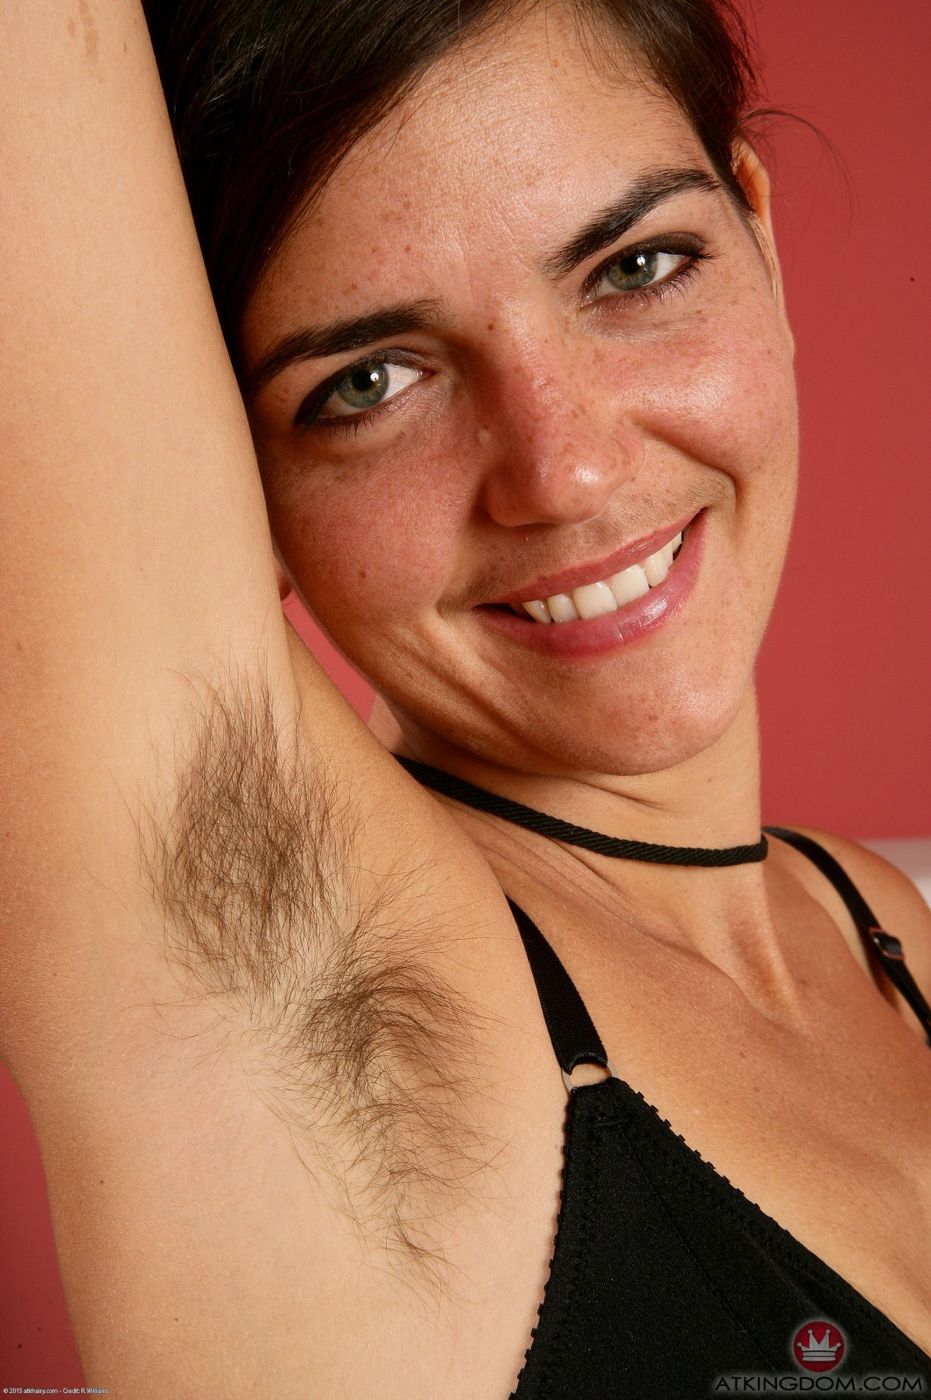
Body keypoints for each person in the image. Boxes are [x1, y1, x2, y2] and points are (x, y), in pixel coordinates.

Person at [1, 0, 929, 1394]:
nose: (567, 472)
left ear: (761, 238)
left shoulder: (876, 921)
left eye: (636, 267)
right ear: (231, 489)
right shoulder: (320, 1008)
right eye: (370, 382)